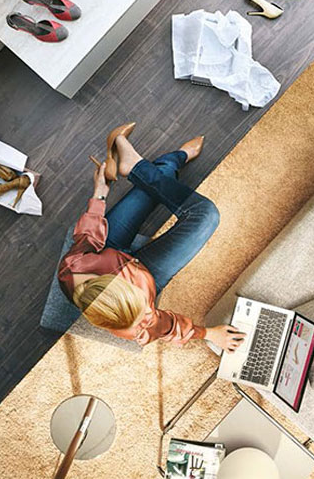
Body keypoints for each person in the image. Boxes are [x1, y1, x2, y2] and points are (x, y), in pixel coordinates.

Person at [58, 123, 246, 352]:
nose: (148, 313)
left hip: (110, 248)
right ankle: (147, 164)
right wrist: (209, 333)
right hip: (150, 272)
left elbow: (87, 238)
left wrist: (99, 195)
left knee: (156, 181)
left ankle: (154, 163)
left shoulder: (72, 270)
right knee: (206, 215)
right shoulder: (137, 325)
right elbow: (171, 327)